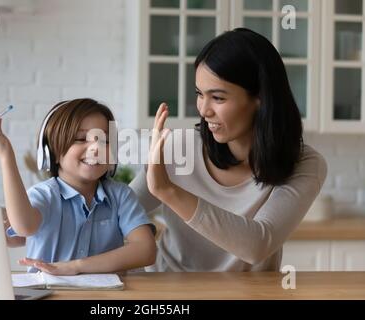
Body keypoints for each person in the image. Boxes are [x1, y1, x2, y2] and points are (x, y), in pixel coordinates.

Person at [129, 28, 328, 272]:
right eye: (200, 94)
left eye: (218, 98)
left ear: (260, 98)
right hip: (171, 293)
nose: (203, 110)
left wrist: (167, 191)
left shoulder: (304, 163)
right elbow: (116, 213)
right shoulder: (178, 146)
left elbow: (258, 244)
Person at [0, 98, 156, 275]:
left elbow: (146, 250)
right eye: (81, 139)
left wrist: (75, 267)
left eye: (104, 140)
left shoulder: (121, 195)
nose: (95, 148)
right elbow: (24, 227)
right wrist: (5, 155)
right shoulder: (44, 195)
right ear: (52, 153)